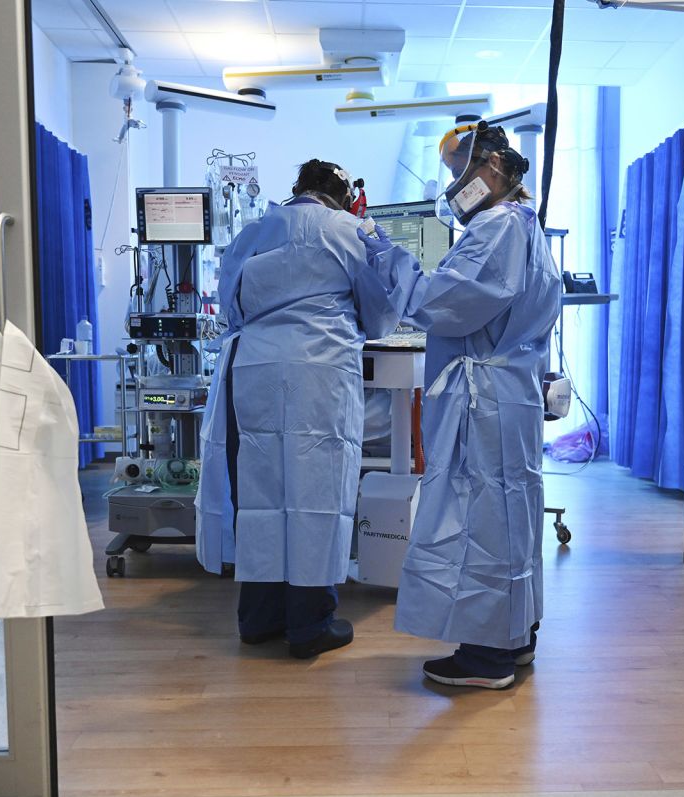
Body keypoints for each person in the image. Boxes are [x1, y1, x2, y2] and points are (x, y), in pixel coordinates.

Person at [356, 122, 561, 688]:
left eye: (460, 171)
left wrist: (381, 248)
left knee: (479, 524)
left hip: (485, 402)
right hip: (508, 395)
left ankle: (485, 658)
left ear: (492, 167)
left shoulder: (497, 228)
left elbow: (439, 301)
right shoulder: (525, 225)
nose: (455, 185)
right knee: (511, 517)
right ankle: (514, 638)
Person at [196, 159, 397, 659]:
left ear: (298, 189)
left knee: (260, 493)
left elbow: (230, 305)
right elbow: (379, 314)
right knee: (318, 492)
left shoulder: (257, 229)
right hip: (321, 372)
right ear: (344, 195)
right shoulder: (352, 232)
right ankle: (309, 625)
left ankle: (259, 619)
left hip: (257, 371)